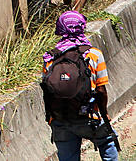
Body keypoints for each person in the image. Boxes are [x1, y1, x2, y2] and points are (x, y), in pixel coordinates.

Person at [41, 11, 119, 161]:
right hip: (89, 116)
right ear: (82, 27)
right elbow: (101, 90)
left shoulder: (50, 57)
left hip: (61, 119)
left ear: (60, 28)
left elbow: (47, 91)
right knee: (107, 142)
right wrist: (104, 114)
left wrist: (52, 117)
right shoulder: (93, 55)